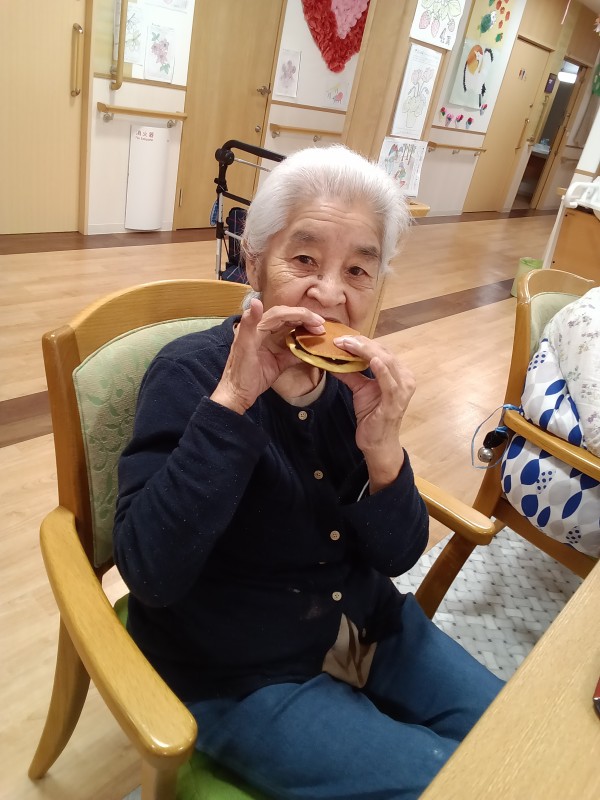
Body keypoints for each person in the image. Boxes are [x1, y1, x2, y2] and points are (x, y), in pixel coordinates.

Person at [114, 145, 503, 800]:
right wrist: (234, 403)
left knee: (518, 732)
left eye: (358, 269)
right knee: (455, 785)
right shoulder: (189, 373)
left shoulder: (352, 387)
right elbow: (150, 572)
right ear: (253, 260)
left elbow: (398, 554)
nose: (329, 293)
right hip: (240, 670)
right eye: (304, 260)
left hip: (365, 625)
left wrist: (383, 450)